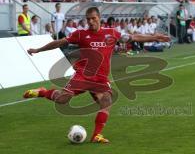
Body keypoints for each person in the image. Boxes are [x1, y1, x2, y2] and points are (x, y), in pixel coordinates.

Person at [23, 7, 170, 144]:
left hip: (100, 78)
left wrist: (155, 37)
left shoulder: (111, 33)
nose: (91, 21)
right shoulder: (80, 34)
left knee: (106, 100)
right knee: (62, 99)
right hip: (83, 76)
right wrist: (38, 49)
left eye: (93, 18)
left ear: (99, 18)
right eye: (88, 19)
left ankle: (96, 135)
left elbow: (134, 37)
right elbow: (59, 43)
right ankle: (42, 92)